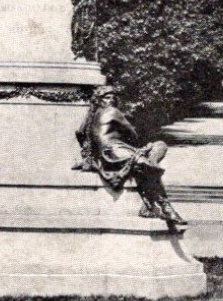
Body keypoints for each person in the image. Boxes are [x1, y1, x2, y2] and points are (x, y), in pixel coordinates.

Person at [74, 86, 187, 234]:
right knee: (154, 157)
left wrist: (89, 154)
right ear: (99, 100)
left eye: (113, 97)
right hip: (116, 151)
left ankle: (152, 204)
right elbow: (133, 135)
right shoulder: (114, 112)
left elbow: (79, 133)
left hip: (105, 154)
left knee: (147, 161)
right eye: (108, 97)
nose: (112, 99)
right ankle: (163, 206)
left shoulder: (91, 116)